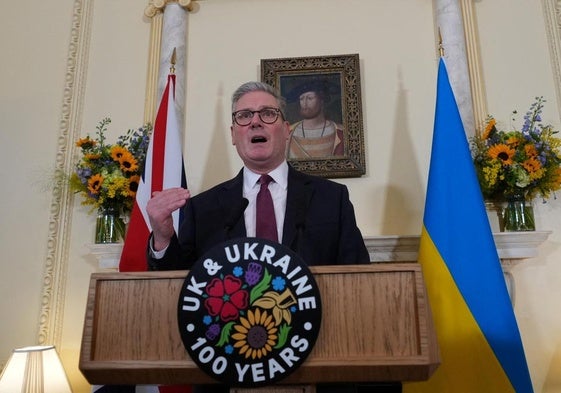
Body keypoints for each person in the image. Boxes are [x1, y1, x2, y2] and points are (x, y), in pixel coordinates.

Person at [146, 81, 400, 393]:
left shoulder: (330, 198)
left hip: (318, 365)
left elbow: (358, 279)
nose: (254, 121)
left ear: (286, 129)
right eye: (244, 116)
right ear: (233, 135)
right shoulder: (204, 207)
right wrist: (161, 236)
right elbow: (179, 287)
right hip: (228, 371)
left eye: (267, 114)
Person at [287, 78, 344, 159]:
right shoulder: (288, 133)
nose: (304, 103)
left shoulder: (340, 132)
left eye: (310, 98)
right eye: (301, 99)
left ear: (322, 101)